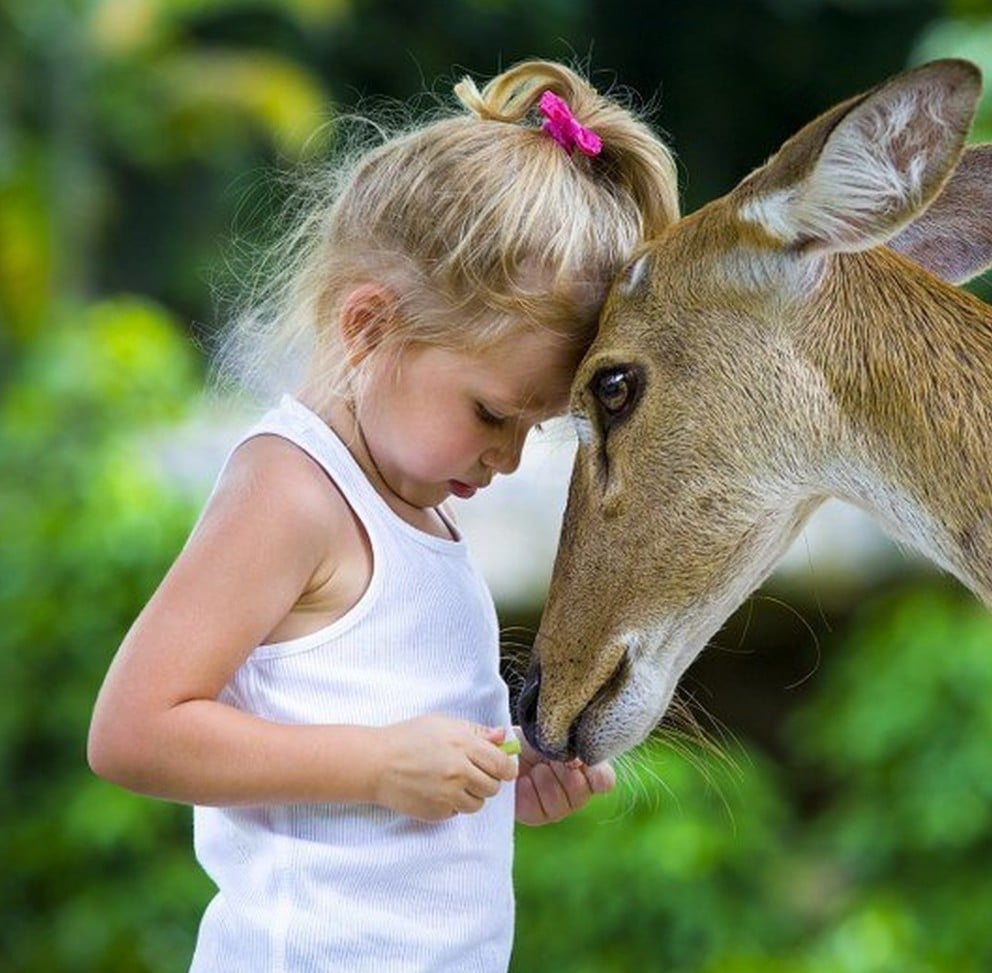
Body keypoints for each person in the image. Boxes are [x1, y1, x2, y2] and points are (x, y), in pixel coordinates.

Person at [87, 60, 680, 971]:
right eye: (491, 413)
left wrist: (501, 775)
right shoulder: (292, 489)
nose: (508, 456)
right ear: (370, 327)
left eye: (534, 428)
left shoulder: (420, 511)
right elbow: (134, 732)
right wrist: (377, 766)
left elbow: (388, 740)